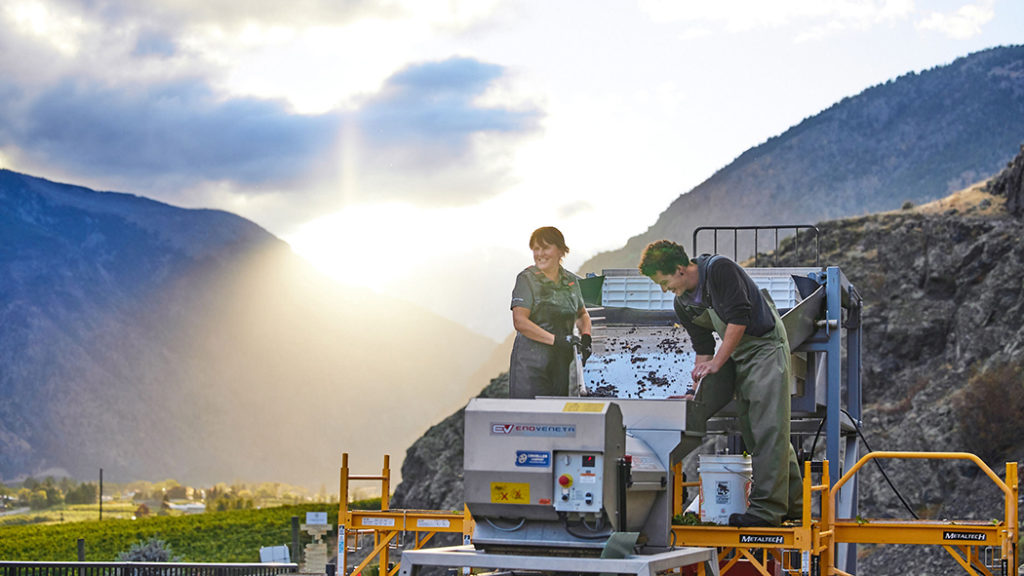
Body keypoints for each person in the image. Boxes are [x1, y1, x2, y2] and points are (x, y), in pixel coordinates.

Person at [638, 239, 802, 527]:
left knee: (769, 428)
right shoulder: (683, 303)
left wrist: (717, 363)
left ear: (679, 269)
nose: (664, 290)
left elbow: (739, 320)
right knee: (755, 432)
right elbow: (703, 348)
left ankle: (766, 513)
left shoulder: (719, 270)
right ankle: (794, 506)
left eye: (664, 282)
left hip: (764, 347)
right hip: (736, 352)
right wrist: (694, 391)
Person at [509, 227, 592, 398]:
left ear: (561, 250)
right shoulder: (526, 280)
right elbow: (520, 322)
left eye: (545, 247)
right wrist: (556, 341)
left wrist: (586, 335)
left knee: (557, 419)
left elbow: (582, 314)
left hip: (560, 365)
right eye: (536, 249)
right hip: (531, 368)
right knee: (531, 421)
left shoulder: (571, 281)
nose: (540, 254)